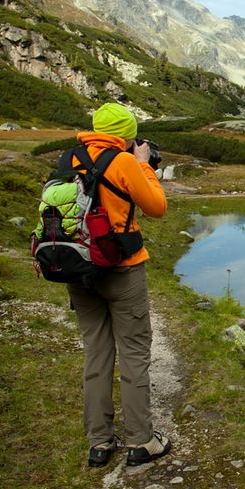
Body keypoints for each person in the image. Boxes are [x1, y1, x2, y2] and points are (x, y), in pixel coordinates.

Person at [65, 102, 171, 467]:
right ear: (125, 135)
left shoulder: (70, 158)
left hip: (78, 268)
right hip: (122, 269)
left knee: (96, 353)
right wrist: (142, 163)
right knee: (134, 353)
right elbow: (157, 206)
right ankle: (142, 441)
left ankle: (100, 442)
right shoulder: (124, 161)